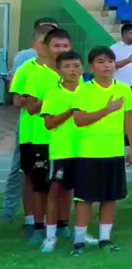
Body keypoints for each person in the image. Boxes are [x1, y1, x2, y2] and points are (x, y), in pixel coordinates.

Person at [72, 47, 132, 255]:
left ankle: (105, 239)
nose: (107, 65)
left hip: (114, 151)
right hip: (88, 152)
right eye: (101, 62)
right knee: (84, 198)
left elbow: (129, 120)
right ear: (91, 67)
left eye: (110, 61)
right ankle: (79, 241)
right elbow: (79, 120)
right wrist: (107, 110)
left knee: (110, 197)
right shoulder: (83, 90)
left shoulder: (124, 89)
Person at [9, 23, 68, 244]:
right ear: (41, 44)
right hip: (33, 133)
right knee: (33, 179)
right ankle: (32, 221)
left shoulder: (71, 70)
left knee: (63, 182)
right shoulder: (29, 69)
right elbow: (19, 102)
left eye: (63, 45)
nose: (58, 49)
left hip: (63, 135)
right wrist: (53, 99)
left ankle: (61, 224)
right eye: (52, 43)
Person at [3, 17, 58, 226]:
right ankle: (17, 214)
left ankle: (55, 221)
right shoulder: (26, 62)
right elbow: (19, 100)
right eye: (47, 41)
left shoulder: (64, 66)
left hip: (58, 129)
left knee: (56, 176)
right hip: (32, 129)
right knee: (25, 172)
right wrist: (45, 99)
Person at [40, 50, 84, 253]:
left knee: (82, 194)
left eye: (76, 66)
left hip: (85, 151)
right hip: (61, 151)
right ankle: (50, 237)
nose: (72, 70)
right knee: (55, 191)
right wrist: (70, 111)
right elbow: (49, 124)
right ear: (58, 71)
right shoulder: (52, 93)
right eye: (67, 66)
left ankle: (81, 233)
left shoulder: (89, 90)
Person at [110, 23, 132, 127]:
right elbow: (111, 66)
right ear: (124, 34)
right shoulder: (114, 48)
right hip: (121, 85)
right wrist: (128, 60)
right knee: (121, 110)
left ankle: (130, 133)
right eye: (131, 33)